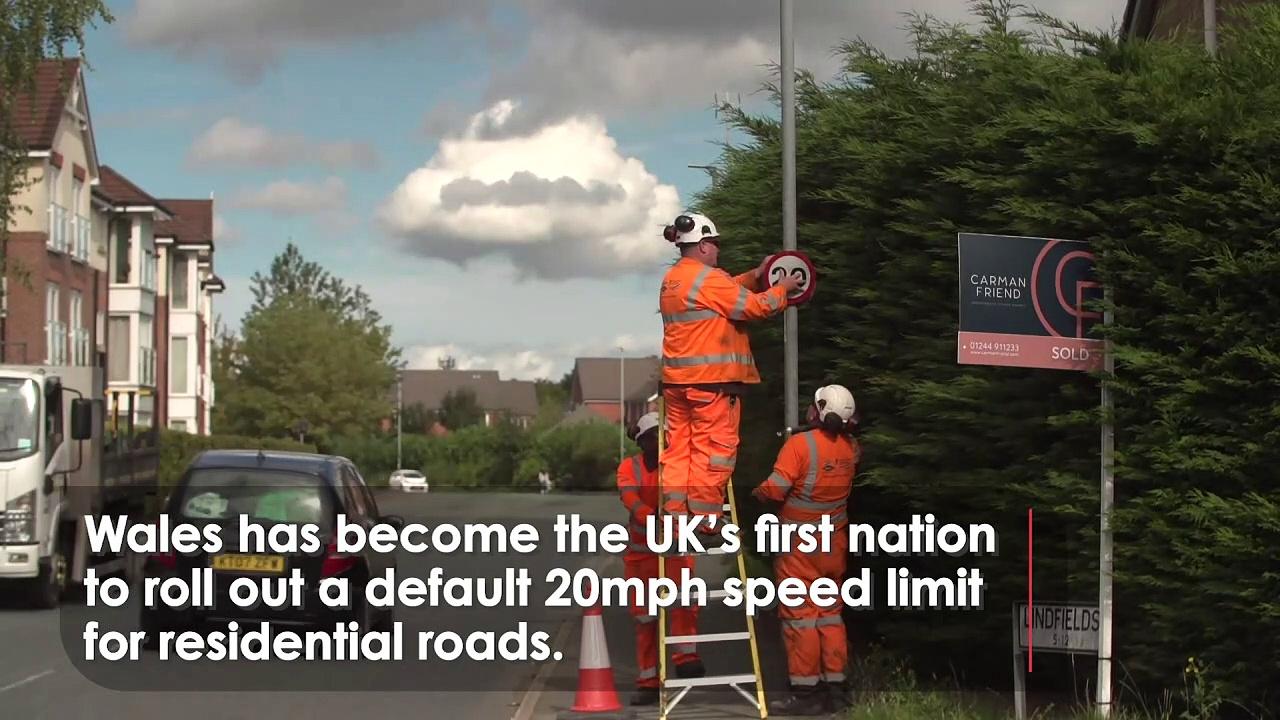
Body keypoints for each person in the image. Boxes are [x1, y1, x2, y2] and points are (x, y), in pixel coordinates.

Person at [658, 212, 802, 537]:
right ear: (705, 245)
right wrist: (782, 287)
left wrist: (757, 273)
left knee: (680, 450)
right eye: (716, 244)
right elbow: (754, 307)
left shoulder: (676, 279)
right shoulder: (707, 279)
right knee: (714, 451)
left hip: (678, 384)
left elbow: (726, 292)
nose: (719, 250)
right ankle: (707, 519)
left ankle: (676, 518)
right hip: (712, 384)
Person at [752, 384, 862, 716]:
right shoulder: (850, 448)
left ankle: (805, 691)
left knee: (801, 618)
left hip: (800, 548)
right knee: (829, 614)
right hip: (833, 545)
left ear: (820, 412)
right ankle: (837, 688)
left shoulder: (799, 445)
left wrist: (755, 494)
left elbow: (776, 489)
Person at [616, 411, 705, 705]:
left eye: (665, 436)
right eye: (656, 437)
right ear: (642, 441)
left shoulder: (678, 466)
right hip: (642, 559)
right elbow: (630, 499)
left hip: (675, 552)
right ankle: (648, 681)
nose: (662, 442)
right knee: (645, 620)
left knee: (684, 605)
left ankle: (685, 658)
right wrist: (653, 517)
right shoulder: (629, 468)